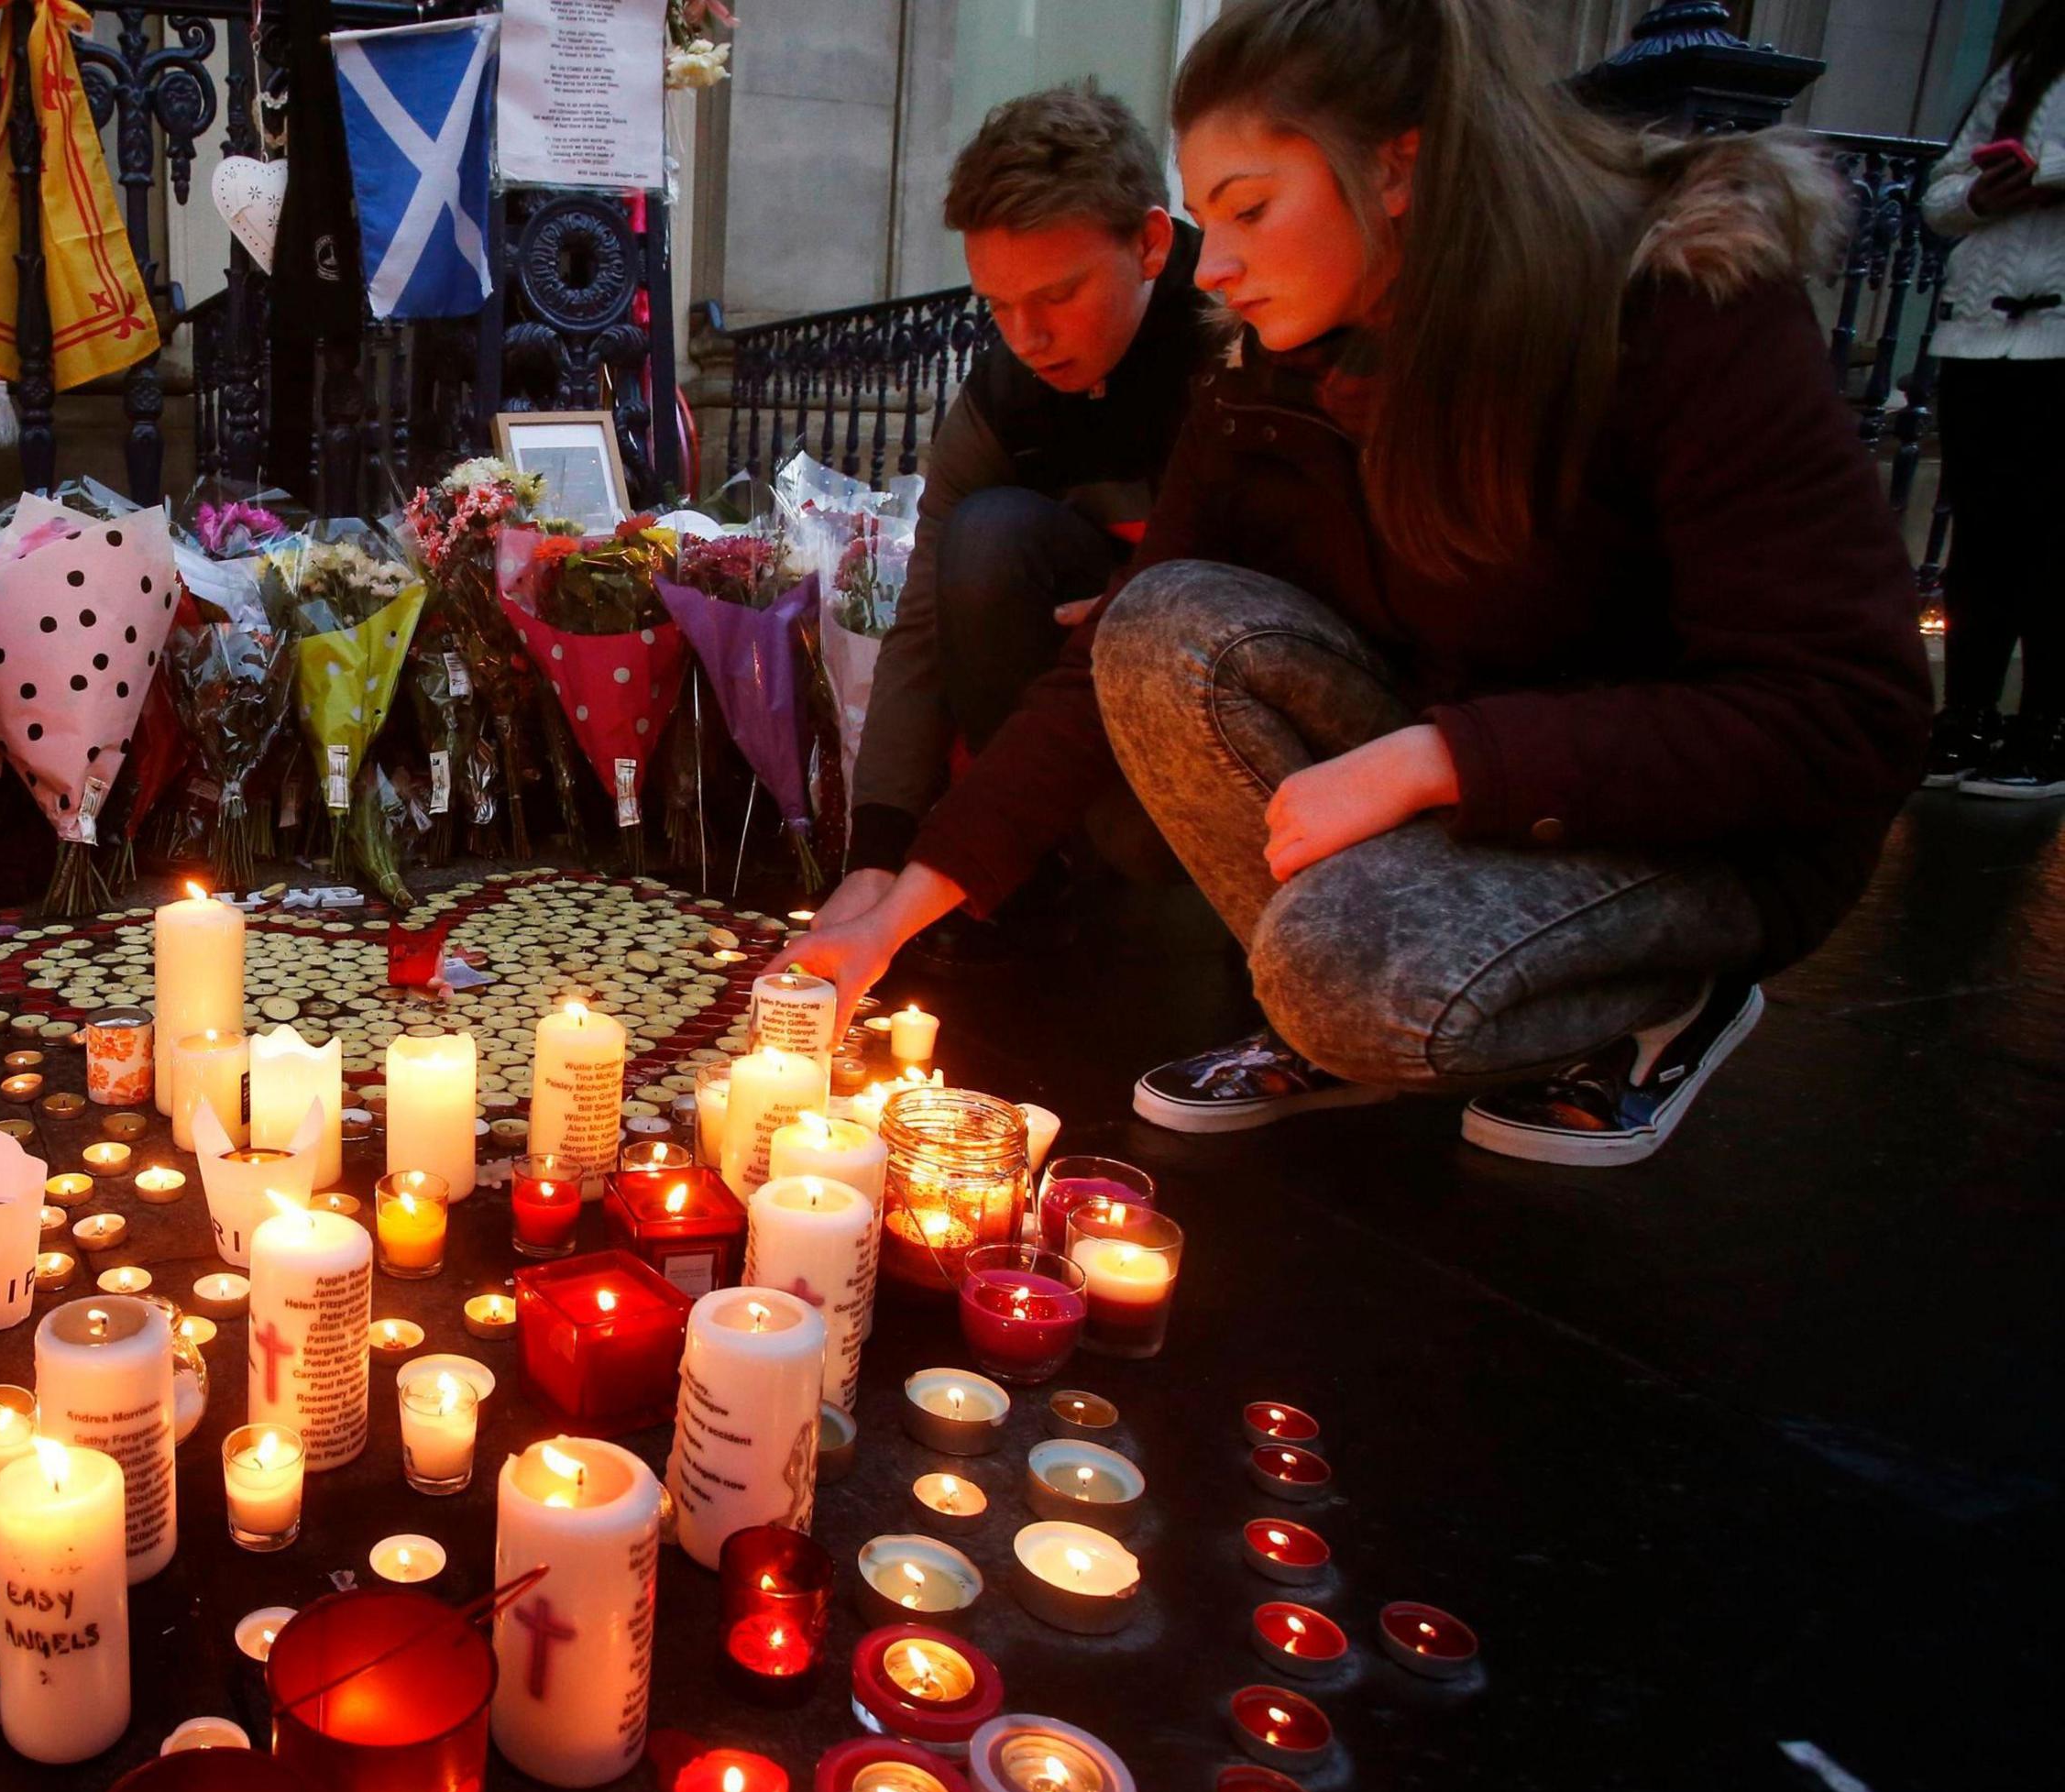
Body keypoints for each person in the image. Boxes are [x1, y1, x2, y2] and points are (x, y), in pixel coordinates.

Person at [786, 0, 1928, 1167]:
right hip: (1473, 782)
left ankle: (1671, 992)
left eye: (1249, 209)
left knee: (1344, 972)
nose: (1214, 262)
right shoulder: (1275, 369)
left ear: (1398, 171)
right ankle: (1326, 1013)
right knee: (1159, 622)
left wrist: (1445, 760)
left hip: (1697, 832)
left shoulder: (1675, 308)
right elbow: (1106, 659)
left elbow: (1852, 714)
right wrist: (904, 895)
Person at [846, 85, 1211, 882]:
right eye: (999, 305)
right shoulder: (1004, 398)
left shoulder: (1238, 338)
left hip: (1219, 692)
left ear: (1151, 243)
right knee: (982, 542)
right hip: (1072, 693)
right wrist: (876, 857)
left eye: (1057, 295)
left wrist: (1138, 602)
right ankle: (1032, 877)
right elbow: (921, 629)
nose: (1029, 338)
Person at [1920, 1, 2065, 798]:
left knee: (2055, 545)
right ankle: (1967, 716)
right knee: (1982, 539)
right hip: (1980, 336)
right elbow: (1940, 200)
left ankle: (2046, 727)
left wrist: (2044, 173)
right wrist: (1985, 194)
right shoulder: (2024, 65)